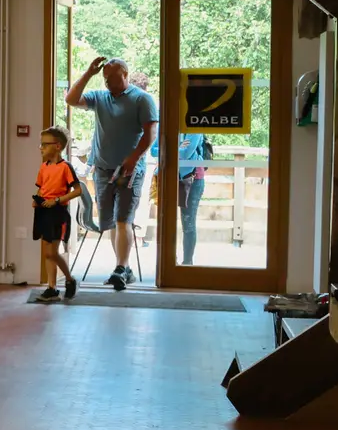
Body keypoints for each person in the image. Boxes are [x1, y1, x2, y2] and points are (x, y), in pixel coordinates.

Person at [64, 56, 158, 291]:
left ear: (125, 74)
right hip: (103, 169)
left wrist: (134, 157)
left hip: (130, 170)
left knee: (123, 218)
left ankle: (120, 268)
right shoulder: (100, 97)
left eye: (112, 78)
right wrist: (88, 73)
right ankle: (123, 268)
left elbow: (150, 134)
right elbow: (71, 99)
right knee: (110, 223)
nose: (107, 83)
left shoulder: (142, 99)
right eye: (105, 79)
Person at [31, 126, 84, 303]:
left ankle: (69, 279)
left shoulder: (65, 167)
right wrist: (37, 200)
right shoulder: (43, 167)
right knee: (47, 253)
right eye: (41, 145)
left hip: (58, 213)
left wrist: (58, 200)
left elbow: (78, 190)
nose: (41, 148)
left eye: (44, 145)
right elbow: (41, 189)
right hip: (44, 212)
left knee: (52, 252)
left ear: (58, 146)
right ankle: (52, 288)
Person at [166, 132, 210, 264]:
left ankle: (187, 263)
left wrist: (171, 149)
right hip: (172, 176)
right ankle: (169, 262)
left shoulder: (193, 128)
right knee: (167, 221)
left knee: (188, 223)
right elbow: (155, 151)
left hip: (192, 178)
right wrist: (179, 146)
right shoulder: (169, 125)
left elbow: (185, 155)